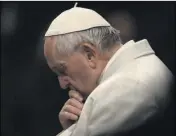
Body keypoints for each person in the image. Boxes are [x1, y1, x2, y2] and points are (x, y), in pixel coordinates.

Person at [44, 5, 174, 136]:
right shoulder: (139, 69)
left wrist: (77, 129)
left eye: (62, 70)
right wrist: (75, 127)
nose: (62, 84)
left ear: (89, 55)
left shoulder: (126, 87)